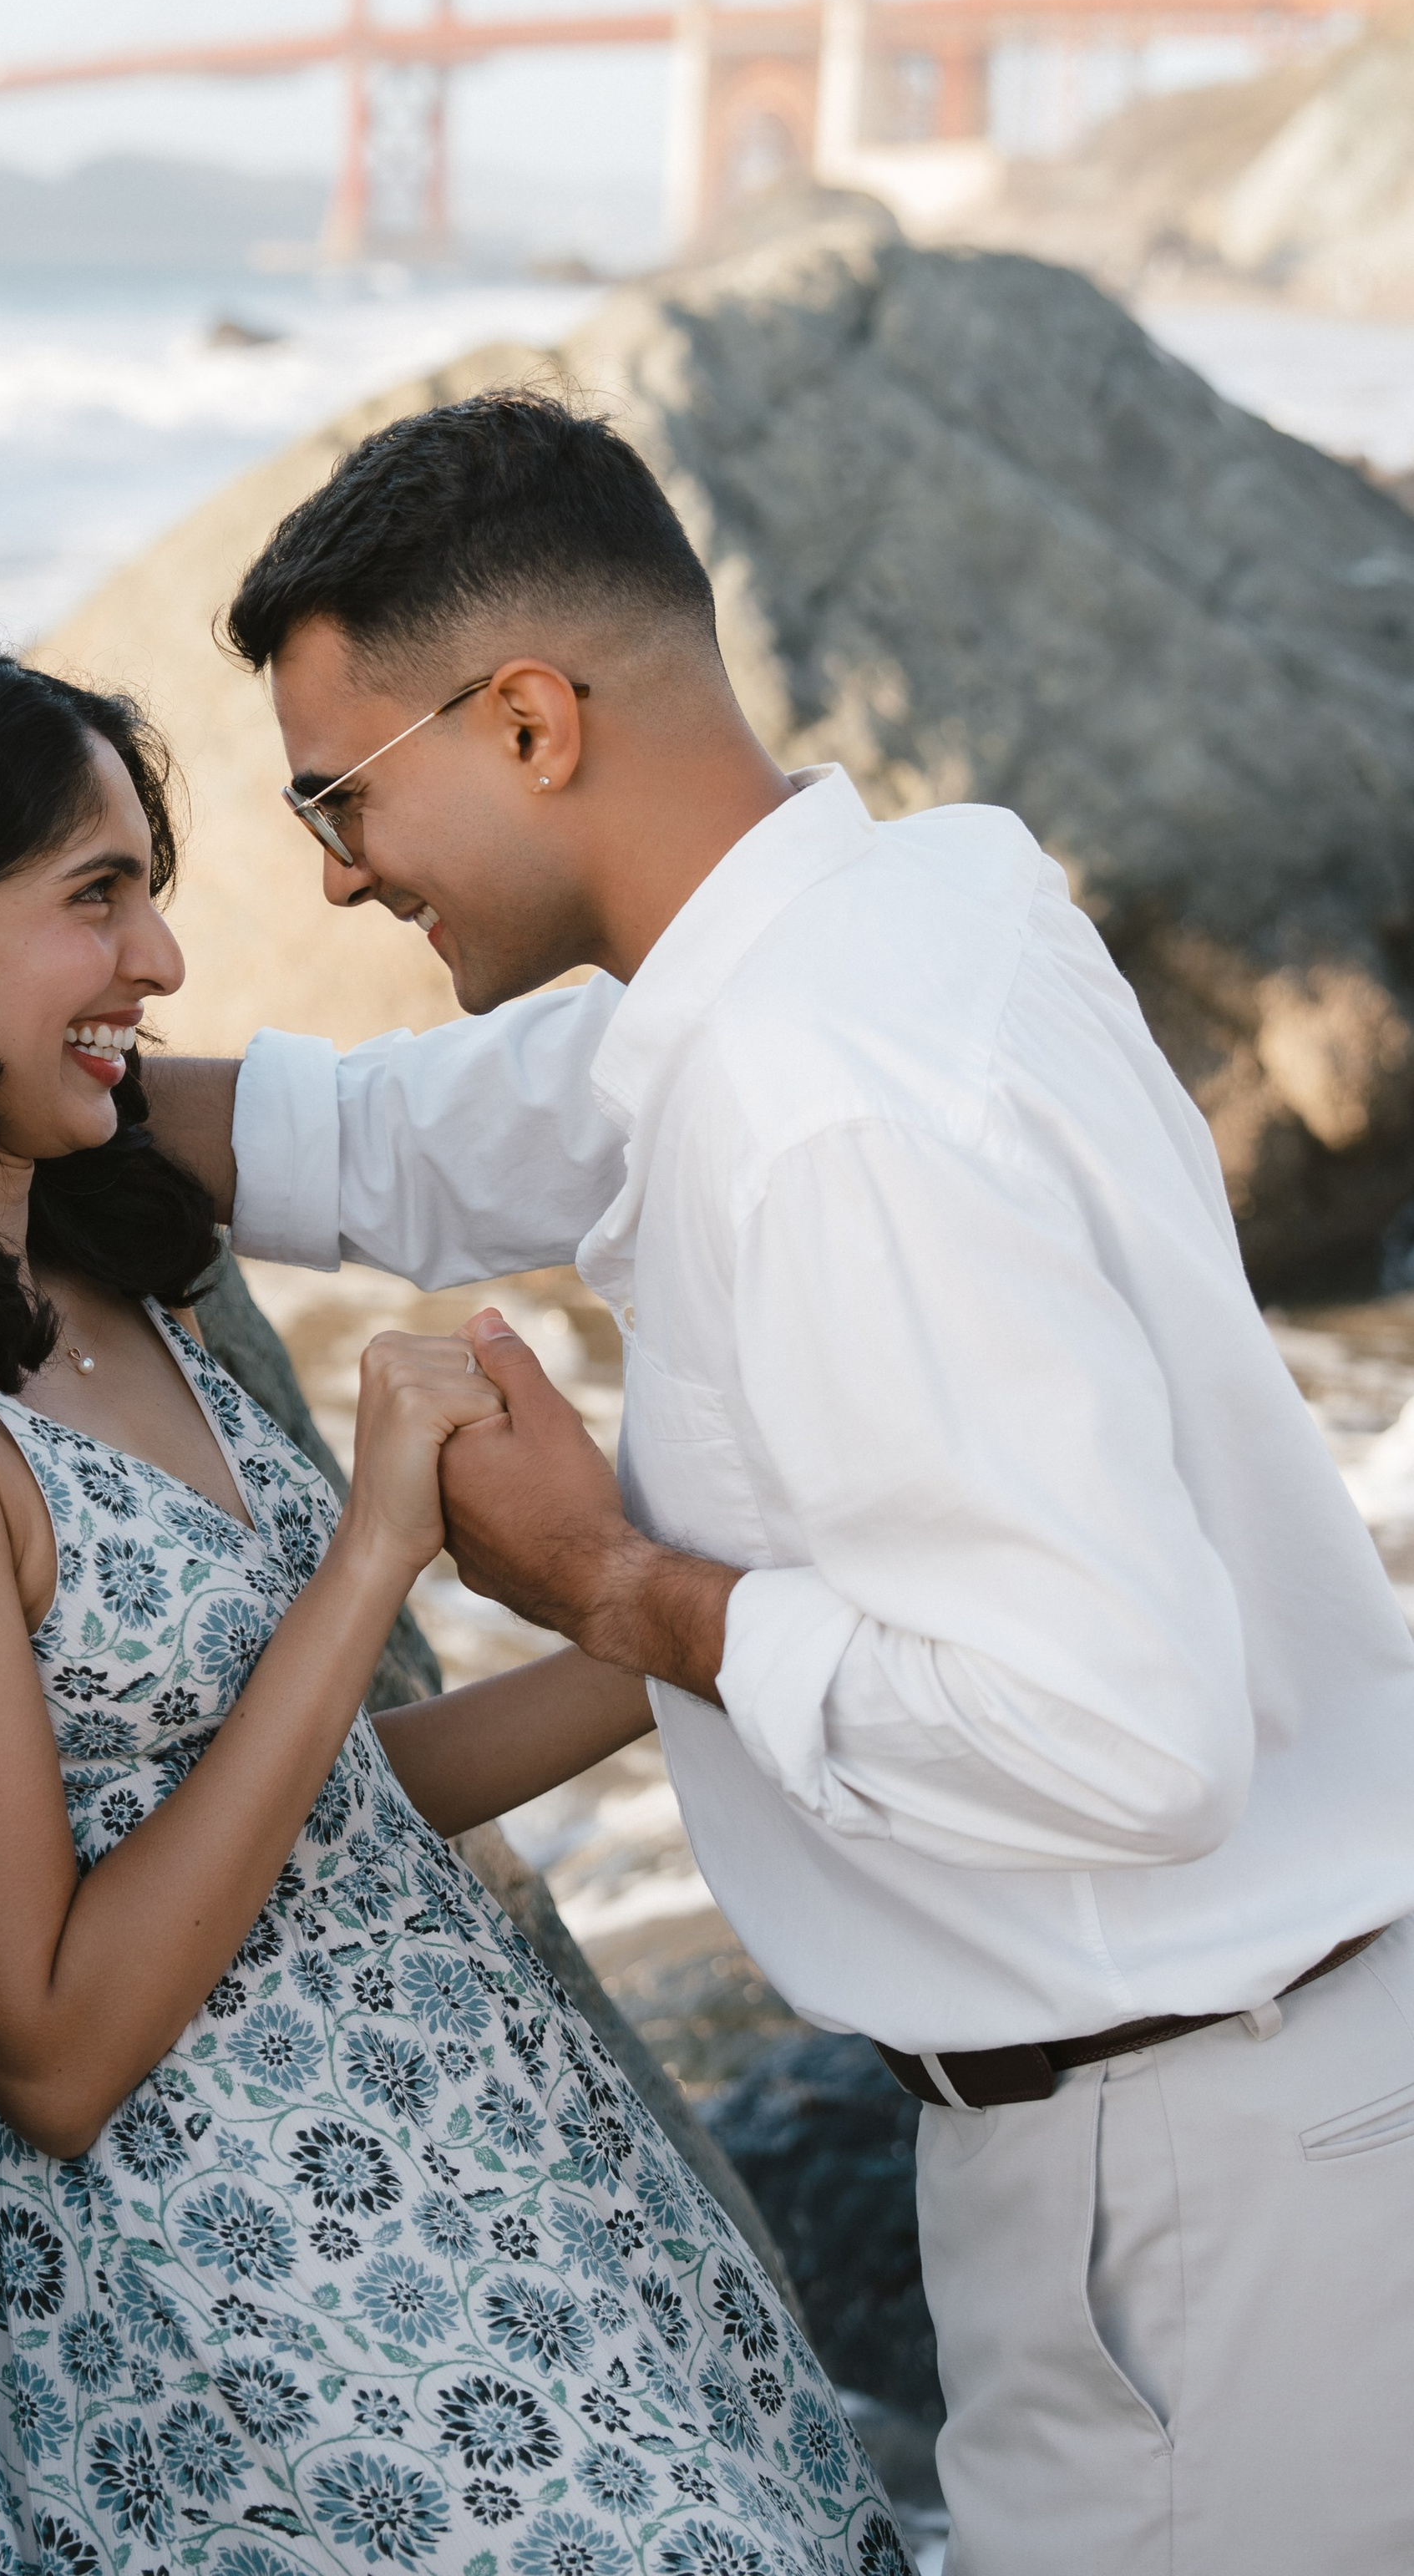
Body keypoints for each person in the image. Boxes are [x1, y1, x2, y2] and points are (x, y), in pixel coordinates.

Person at [140, 392, 1414, 2576]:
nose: (338, 874)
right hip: (1244, 2099)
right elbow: (422, 1138)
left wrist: (621, 1585)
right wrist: (32, 1064)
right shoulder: (914, 909)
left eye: (343, 799)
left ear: (531, 719)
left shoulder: (829, 1106)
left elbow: (1124, 1739)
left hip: (1196, 2166)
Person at [0, 639, 902, 2576]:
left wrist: (673, 1613)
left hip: (472, 2184)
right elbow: (46, 2039)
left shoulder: (98, 1289)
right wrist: (373, 1552)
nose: (157, 961)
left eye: (147, 886)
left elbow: (300, 1801)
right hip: (242, 2286)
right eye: (93, 897)